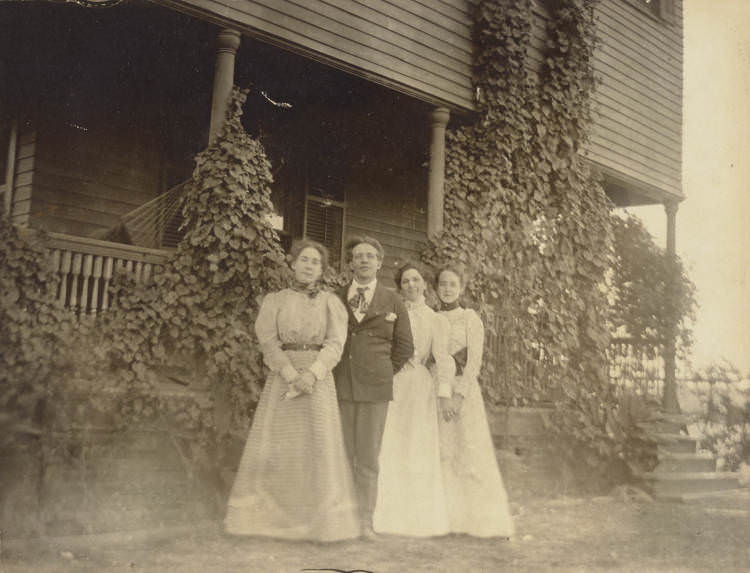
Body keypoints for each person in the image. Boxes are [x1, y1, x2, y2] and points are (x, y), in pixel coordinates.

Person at [224, 239, 360, 542]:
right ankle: (271, 521)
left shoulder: (330, 302)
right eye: (304, 260)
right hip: (282, 376)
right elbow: (268, 341)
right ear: (293, 263)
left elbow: (336, 343)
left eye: (315, 262)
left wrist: (312, 374)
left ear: (322, 270)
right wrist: (289, 373)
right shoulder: (275, 300)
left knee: (317, 446)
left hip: (317, 377)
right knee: (279, 446)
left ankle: (319, 525)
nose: (309, 266)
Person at [333, 236, 414, 540]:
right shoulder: (336, 297)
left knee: (367, 458)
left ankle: (364, 523)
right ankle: (339, 521)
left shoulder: (392, 300)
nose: (364, 260)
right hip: (340, 387)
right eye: (358, 256)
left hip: (375, 392)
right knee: (341, 455)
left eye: (370, 256)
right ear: (350, 263)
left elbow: (405, 346)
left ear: (379, 263)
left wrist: (380, 372)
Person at [372, 262, 454, 537]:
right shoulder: (390, 314)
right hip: (393, 381)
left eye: (415, 280)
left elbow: (443, 359)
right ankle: (387, 516)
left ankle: (419, 516)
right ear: (400, 286)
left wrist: (444, 394)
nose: (410, 285)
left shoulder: (436, 320)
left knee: (418, 444)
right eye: (405, 281)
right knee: (391, 441)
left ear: (424, 284)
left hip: (419, 385)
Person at [435, 265, 515, 538]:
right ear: (436, 288)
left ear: (462, 288)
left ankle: (476, 519)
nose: (447, 288)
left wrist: (458, 396)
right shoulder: (432, 318)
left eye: (452, 284)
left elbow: (474, 361)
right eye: (442, 283)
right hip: (435, 391)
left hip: (462, 391)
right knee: (442, 451)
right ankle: (446, 519)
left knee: (467, 450)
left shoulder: (470, 318)